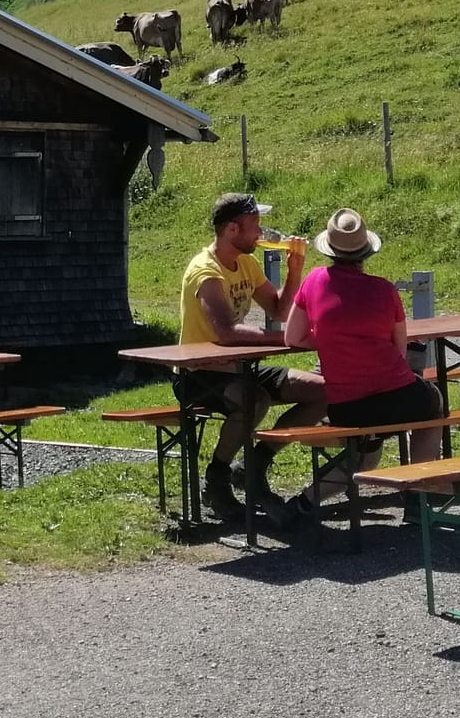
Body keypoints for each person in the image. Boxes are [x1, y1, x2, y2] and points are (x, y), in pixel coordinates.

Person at [283, 207, 446, 520]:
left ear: (329, 250)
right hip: (397, 396)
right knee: (433, 403)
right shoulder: (384, 289)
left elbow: (293, 336)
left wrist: (331, 339)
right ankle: (418, 495)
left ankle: (304, 502)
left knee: (366, 455)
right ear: (365, 253)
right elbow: (400, 353)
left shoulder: (314, 281)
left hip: (347, 405)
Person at [176, 192, 327, 524]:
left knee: (324, 391)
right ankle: (217, 476)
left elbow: (278, 310)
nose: (261, 232)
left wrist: (295, 270)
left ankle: (254, 465)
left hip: (243, 368)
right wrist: (288, 340)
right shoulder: (205, 271)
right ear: (232, 229)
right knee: (254, 399)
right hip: (200, 374)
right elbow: (226, 333)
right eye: (255, 225)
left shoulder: (247, 262)